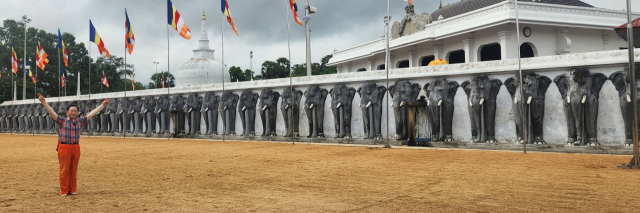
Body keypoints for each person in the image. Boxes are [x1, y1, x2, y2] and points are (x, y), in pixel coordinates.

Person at [37, 93, 109, 197]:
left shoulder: (80, 121)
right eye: (71, 111)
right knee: (64, 169)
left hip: (75, 147)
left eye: (75, 111)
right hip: (64, 147)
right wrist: (44, 103)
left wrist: (102, 105)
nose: (73, 112)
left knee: (74, 169)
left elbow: (92, 113)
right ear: (67, 112)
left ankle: (72, 189)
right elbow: (51, 112)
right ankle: (64, 190)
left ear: (78, 112)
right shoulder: (62, 121)